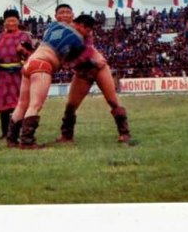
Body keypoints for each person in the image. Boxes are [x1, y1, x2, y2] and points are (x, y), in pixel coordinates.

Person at [5, 6, 94, 149]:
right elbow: (77, 60)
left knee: (22, 104)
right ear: (82, 26)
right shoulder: (78, 39)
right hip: (42, 66)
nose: (87, 34)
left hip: (29, 64)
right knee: (35, 105)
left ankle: (11, 139)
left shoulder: (53, 26)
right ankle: (27, 141)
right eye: (88, 30)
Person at [53, 11, 133, 144]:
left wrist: (90, 62)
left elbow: (88, 51)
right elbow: (67, 61)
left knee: (113, 101)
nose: (89, 32)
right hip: (83, 72)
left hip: (99, 69)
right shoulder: (62, 35)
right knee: (71, 106)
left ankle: (125, 133)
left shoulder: (87, 35)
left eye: (90, 30)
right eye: (87, 29)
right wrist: (89, 62)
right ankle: (67, 136)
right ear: (79, 25)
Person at [0, 8, 33, 139]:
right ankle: (5, 132)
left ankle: (18, 131)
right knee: (4, 106)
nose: (11, 23)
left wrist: (23, 51)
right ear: (4, 22)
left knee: (19, 104)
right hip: (2, 75)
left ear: (18, 21)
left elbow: (31, 54)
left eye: (13, 20)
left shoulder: (25, 36)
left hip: (18, 74)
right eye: (8, 21)